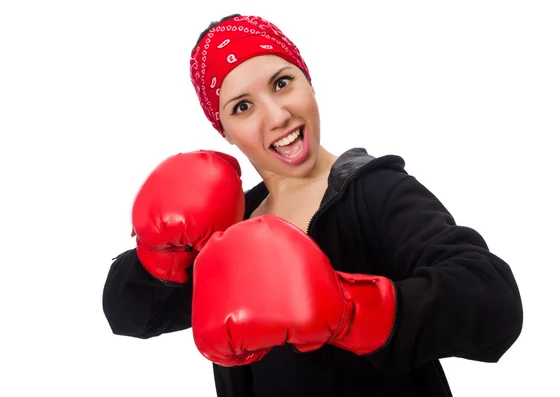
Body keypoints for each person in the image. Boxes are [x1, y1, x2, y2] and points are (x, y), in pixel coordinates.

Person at [102, 13, 523, 397]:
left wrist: (351, 310)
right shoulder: (228, 227)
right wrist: (158, 256)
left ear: (308, 82)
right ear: (224, 130)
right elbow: (132, 316)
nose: (277, 115)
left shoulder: (374, 190)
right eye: (242, 107)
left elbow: (493, 300)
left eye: (282, 83)